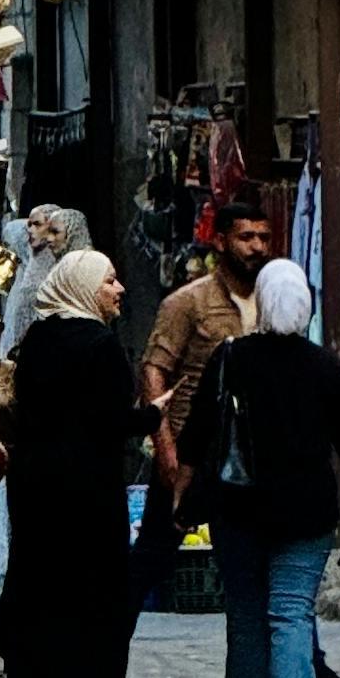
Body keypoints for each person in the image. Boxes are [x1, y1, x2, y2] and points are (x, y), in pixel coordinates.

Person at [180, 256, 340, 678]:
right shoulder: (325, 367)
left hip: (239, 509)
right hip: (305, 513)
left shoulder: (231, 357)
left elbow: (198, 432)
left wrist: (184, 488)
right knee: (290, 614)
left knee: (245, 616)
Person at [0, 247, 146, 678]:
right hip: (87, 491)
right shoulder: (101, 346)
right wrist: (156, 415)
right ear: (84, 287)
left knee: (43, 588)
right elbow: (114, 422)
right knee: (94, 594)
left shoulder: (38, 339)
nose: (119, 290)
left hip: (38, 486)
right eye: (109, 281)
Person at [134, 187, 275, 608]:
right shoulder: (188, 303)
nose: (256, 247)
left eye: (263, 238)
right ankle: (107, 663)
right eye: (246, 237)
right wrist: (166, 449)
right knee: (154, 556)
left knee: (268, 565)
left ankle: (311, 668)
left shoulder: (274, 298)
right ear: (221, 241)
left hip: (251, 451)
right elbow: (155, 370)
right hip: (193, 448)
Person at [1, 201, 90, 355]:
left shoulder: (66, 271)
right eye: (29, 225)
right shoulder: (28, 265)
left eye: (37, 224)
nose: (30, 230)